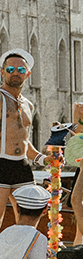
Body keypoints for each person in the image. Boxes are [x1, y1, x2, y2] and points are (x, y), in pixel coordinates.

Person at [0, 48, 37, 212]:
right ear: (2, 72)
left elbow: (23, 140)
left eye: (21, 70)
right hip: (1, 163)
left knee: (29, 220)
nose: (15, 73)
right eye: (10, 69)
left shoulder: (28, 105)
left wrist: (43, 158)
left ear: (27, 74)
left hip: (22, 166)